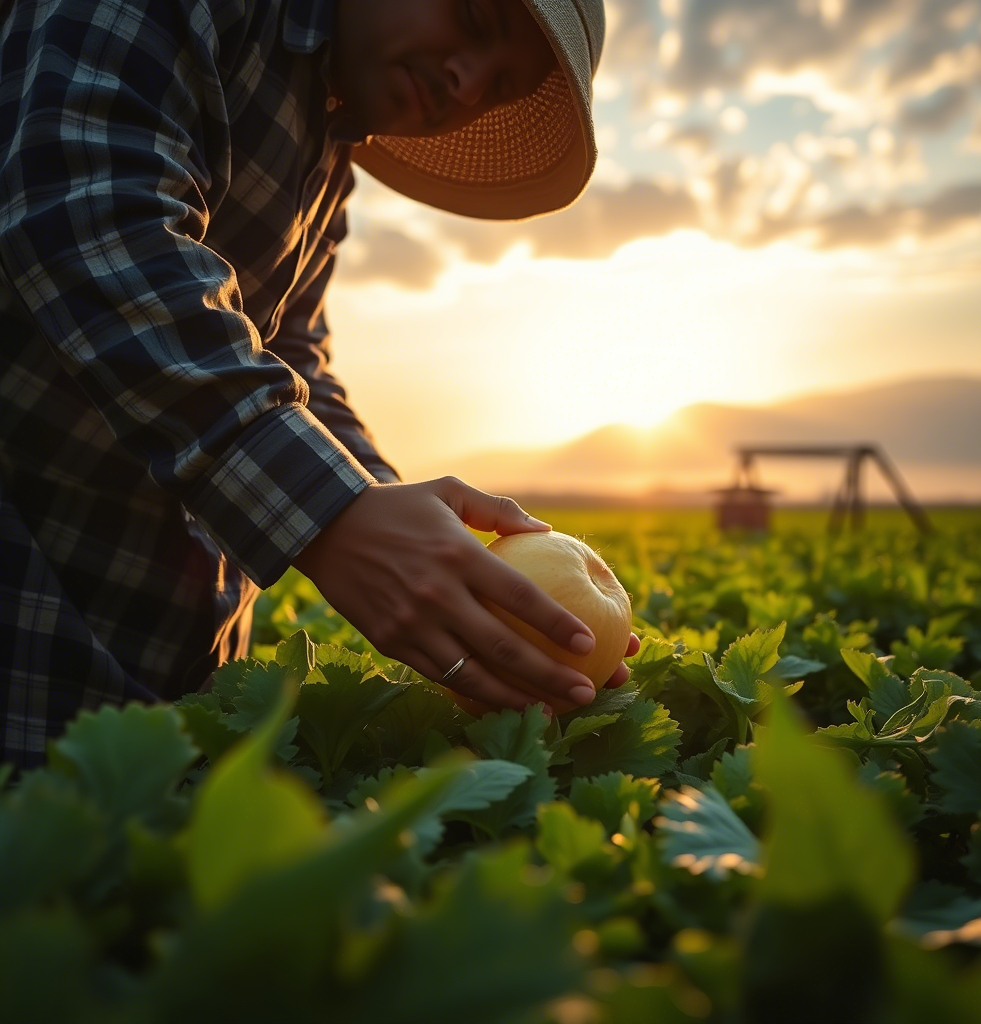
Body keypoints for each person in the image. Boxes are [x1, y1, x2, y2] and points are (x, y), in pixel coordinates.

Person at [0, 0, 637, 771]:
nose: (465, 83)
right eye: (472, 19)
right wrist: (333, 515)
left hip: (173, 654)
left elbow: (293, 355)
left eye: (499, 89)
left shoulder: (328, 163)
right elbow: (89, 217)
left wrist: (432, 545)